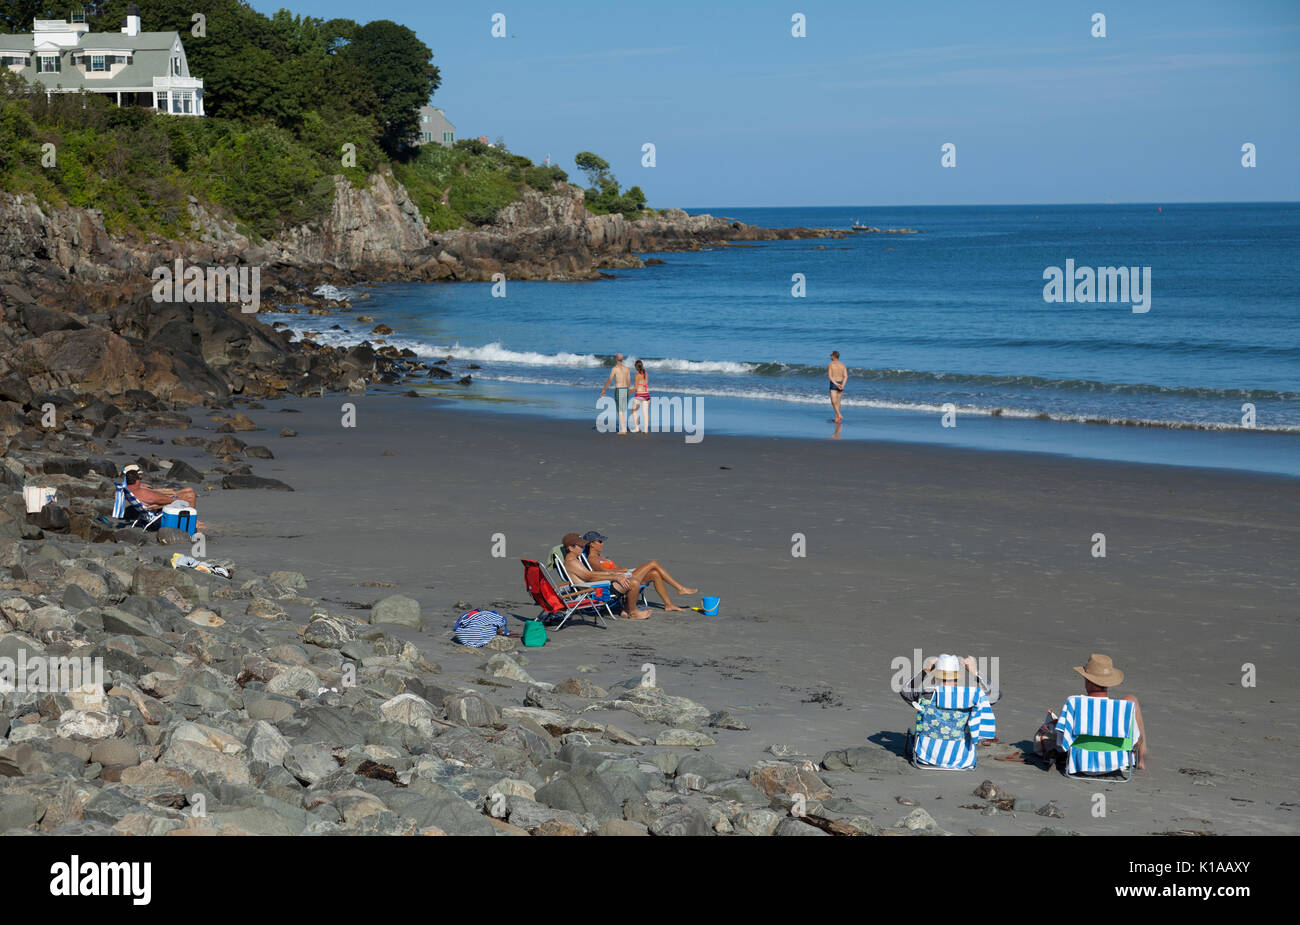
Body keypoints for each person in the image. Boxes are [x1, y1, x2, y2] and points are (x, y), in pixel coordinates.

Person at [561, 532, 697, 616]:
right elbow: (590, 576)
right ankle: (632, 611)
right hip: (596, 590)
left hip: (601, 584)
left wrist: (621, 572)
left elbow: (590, 575)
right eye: (579, 545)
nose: (582, 547)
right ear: (571, 548)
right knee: (650, 566)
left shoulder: (576, 560)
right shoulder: (573, 562)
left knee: (654, 573)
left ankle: (668, 604)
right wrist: (615, 575)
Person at [898, 654, 997, 769]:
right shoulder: (971, 697)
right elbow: (994, 695)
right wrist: (975, 672)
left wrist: (926, 669)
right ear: (957, 678)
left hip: (926, 756)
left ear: (936, 677)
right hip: (961, 758)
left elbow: (904, 691)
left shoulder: (926, 695)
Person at [1061, 653, 1147, 770]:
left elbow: (1062, 738)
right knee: (1131, 699)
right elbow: (1136, 741)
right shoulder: (1123, 708)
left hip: (1081, 763)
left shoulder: (1074, 703)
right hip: (1116, 763)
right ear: (1108, 683)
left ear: (1088, 681)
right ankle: (1140, 760)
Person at [599, 353, 633, 434]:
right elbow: (629, 382)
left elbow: (609, 380)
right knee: (623, 410)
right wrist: (628, 390)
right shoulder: (627, 369)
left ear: (616, 359)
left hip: (619, 389)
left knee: (620, 410)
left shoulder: (615, 369)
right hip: (625, 389)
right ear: (622, 359)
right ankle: (624, 427)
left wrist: (604, 390)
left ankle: (623, 430)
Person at [628, 360, 650, 434]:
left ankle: (637, 428)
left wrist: (627, 393)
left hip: (639, 396)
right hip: (646, 395)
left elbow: (635, 388)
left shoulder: (637, 375)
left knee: (634, 410)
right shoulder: (646, 374)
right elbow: (646, 383)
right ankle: (646, 430)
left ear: (636, 367)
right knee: (645, 413)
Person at [827, 351, 847, 422]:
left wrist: (836, 384)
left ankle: (839, 415)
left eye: (831, 355)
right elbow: (846, 376)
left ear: (833, 356)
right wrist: (842, 385)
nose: (830, 357)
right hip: (840, 384)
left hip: (834, 383)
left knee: (833, 402)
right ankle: (837, 418)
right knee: (838, 402)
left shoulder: (831, 364)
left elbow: (829, 376)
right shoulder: (843, 365)